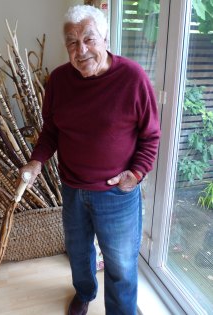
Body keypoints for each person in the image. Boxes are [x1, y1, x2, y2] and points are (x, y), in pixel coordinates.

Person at [20, 4, 161, 315]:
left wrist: (135, 174)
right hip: (72, 189)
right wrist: (36, 161)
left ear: (106, 39)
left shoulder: (132, 78)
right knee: (79, 254)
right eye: (72, 41)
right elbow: (51, 131)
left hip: (117, 194)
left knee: (121, 265)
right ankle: (84, 293)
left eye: (89, 39)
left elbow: (151, 137)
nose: (80, 50)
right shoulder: (58, 81)